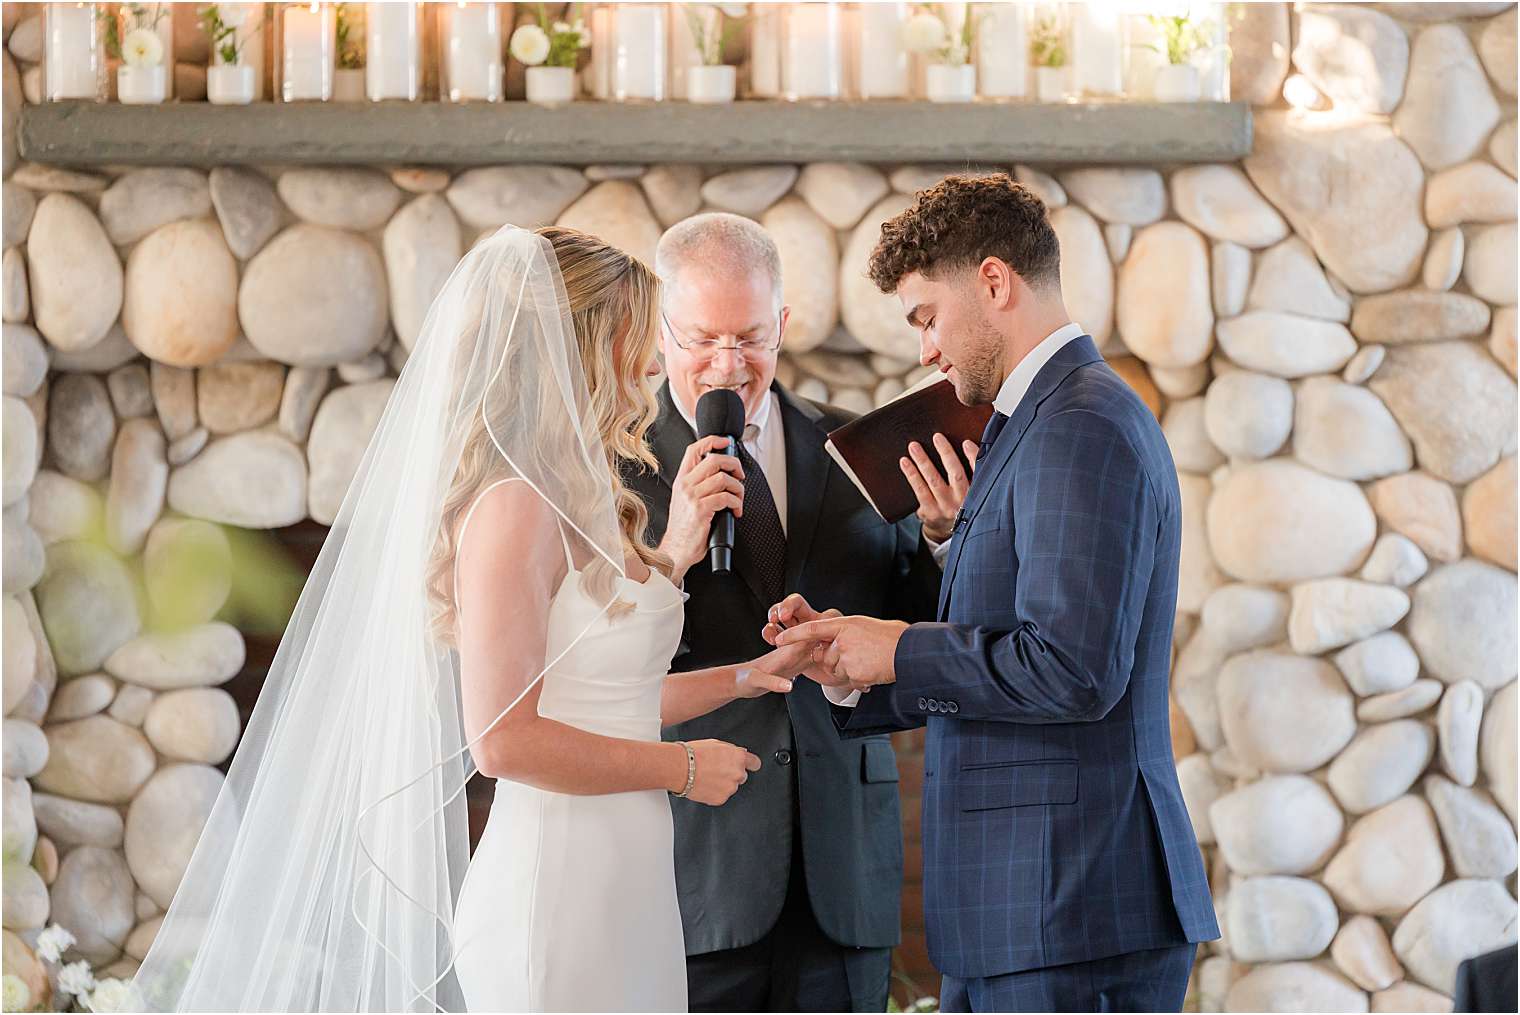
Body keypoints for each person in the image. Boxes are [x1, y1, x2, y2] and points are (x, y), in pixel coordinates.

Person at [129, 226, 816, 1013]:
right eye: (640, 337)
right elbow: (503, 738)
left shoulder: (579, 488)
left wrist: (744, 676)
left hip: (626, 881)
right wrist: (684, 768)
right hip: (558, 890)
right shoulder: (513, 506)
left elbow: (603, 698)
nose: (655, 364)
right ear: (583, 347)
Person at [768, 175, 1220, 1013]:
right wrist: (854, 663)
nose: (926, 351)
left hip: (1071, 909)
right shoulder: (1039, 423)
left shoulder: (1080, 424)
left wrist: (898, 647)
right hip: (1027, 913)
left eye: (926, 317)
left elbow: (1074, 668)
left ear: (994, 282)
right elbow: (1011, 641)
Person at [622, 212, 954, 1012]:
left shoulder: (857, 445)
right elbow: (593, 667)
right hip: (693, 861)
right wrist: (676, 546)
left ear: (783, 325)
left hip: (845, 862)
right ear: (659, 334)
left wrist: (945, 539)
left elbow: (925, 625)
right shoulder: (614, 463)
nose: (727, 366)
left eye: (750, 337)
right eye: (703, 338)